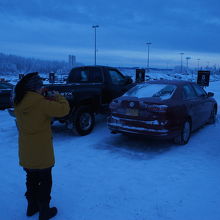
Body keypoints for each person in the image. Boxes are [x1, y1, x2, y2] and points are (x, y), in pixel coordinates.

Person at [14, 72, 70, 220]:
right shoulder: (41, 104)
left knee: (31, 178)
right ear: (36, 88)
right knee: (45, 180)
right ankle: (44, 211)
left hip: (26, 151)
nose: (43, 89)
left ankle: (31, 207)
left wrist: (44, 98)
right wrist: (58, 96)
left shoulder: (18, 102)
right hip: (42, 152)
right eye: (41, 87)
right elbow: (64, 110)